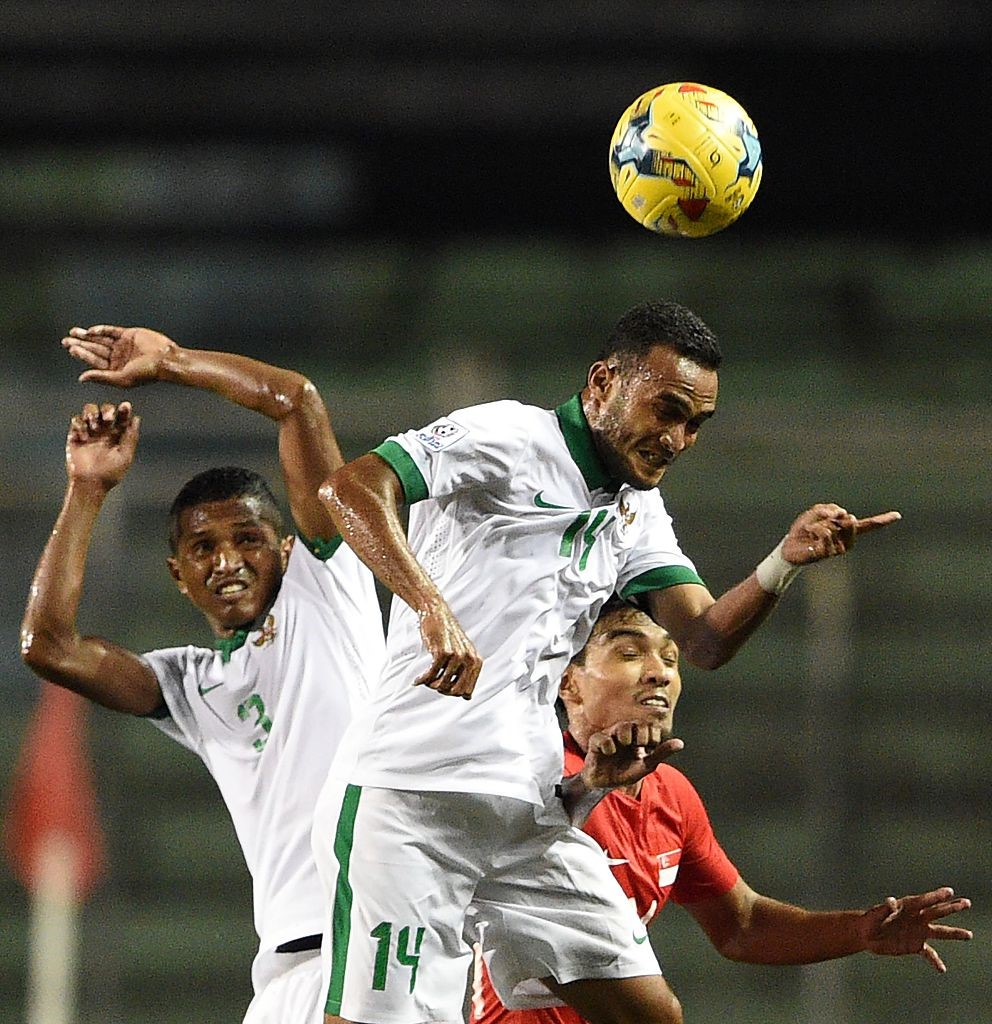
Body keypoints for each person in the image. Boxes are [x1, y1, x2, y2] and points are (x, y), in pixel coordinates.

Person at [312, 299, 902, 1024]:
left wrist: (784, 562)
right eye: (668, 410)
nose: (680, 438)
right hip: (411, 797)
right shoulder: (508, 435)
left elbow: (706, 639)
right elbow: (350, 487)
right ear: (601, 384)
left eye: (696, 424)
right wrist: (430, 607)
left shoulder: (636, 508)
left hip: (528, 810)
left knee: (650, 1013)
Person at [21, 326, 386, 1024]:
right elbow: (49, 645)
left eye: (247, 539)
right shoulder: (189, 686)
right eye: (203, 548)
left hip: (367, 950)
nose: (227, 562)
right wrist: (87, 489)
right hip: (281, 976)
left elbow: (297, 402)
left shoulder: (327, 581)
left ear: (285, 549)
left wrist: (175, 364)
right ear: (178, 576)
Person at [468, 598, 973, 1024]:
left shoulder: (671, 793)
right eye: (629, 652)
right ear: (568, 682)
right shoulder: (524, 776)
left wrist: (859, 930)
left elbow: (741, 924)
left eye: (670, 658)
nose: (659, 672)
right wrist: (583, 789)